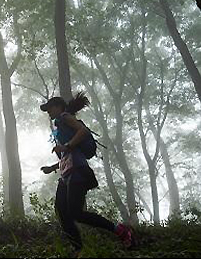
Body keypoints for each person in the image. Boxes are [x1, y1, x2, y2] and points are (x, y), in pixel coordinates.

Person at [40, 92, 134, 255]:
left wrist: (66, 146)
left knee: (76, 213)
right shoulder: (59, 126)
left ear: (58, 107)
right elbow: (67, 154)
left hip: (77, 172)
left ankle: (120, 230)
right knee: (62, 211)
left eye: (50, 108)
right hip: (66, 174)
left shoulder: (65, 116)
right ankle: (77, 249)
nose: (48, 111)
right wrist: (53, 167)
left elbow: (82, 131)